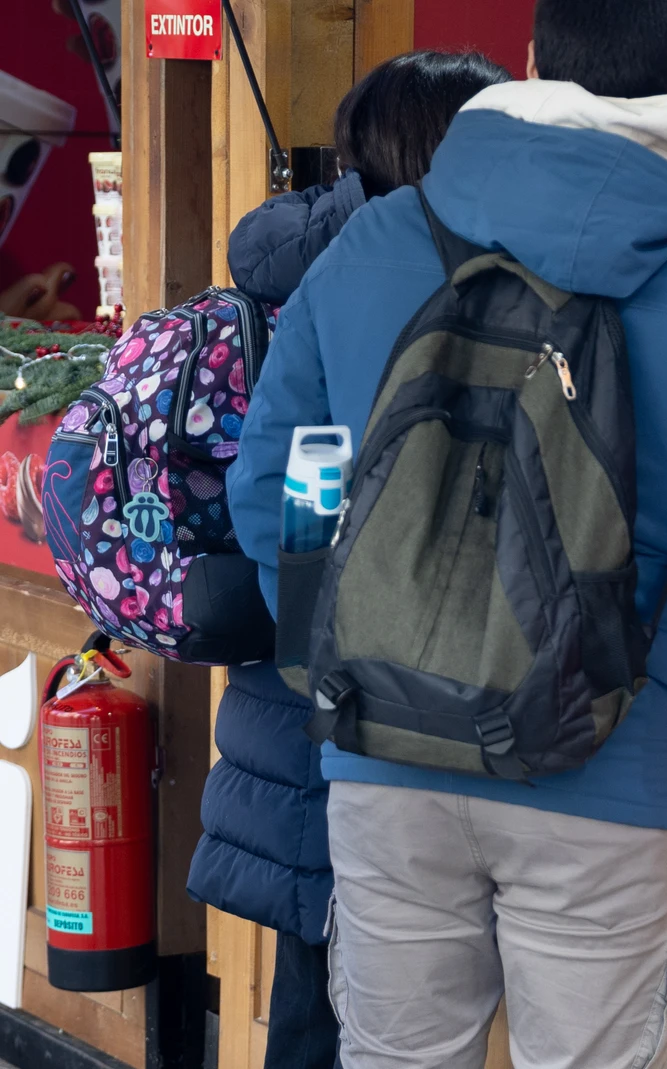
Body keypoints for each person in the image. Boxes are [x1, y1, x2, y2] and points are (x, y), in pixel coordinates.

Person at [224, 1, 667, 1065]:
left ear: (532, 60)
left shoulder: (374, 240)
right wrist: (666, 704)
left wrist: (340, 646)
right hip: (608, 775)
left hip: (385, 761)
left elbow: (280, 478)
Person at [186, 49, 511, 1069]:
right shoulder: (405, 269)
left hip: (312, 704)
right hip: (367, 721)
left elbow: (286, 486)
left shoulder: (313, 261)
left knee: (322, 991)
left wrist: (317, 635)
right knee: (343, 1004)